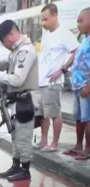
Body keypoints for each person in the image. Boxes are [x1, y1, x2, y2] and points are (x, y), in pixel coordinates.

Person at [0, 20, 39, 181]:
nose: (4, 44)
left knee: (23, 136)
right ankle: (16, 165)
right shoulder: (16, 51)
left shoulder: (25, 51)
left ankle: (25, 169)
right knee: (16, 136)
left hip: (26, 101)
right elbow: (9, 66)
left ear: (11, 34)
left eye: (3, 40)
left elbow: (17, 80)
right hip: (17, 101)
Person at [38, 3, 79, 152]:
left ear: (55, 15)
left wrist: (62, 69)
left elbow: (76, 51)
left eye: (46, 19)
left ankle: (54, 143)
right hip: (42, 80)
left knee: (55, 113)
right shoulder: (47, 34)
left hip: (53, 82)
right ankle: (43, 141)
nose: (43, 23)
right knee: (44, 113)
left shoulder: (65, 34)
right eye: (42, 19)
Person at [64, 8, 90, 160]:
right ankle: (78, 146)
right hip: (77, 86)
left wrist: (88, 86)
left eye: (82, 20)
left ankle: (88, 149)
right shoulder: (83, 39)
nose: (78, 24)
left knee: (88, 119)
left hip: (86, 86)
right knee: (79, 118)